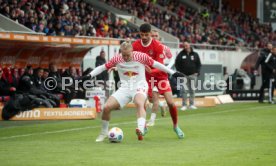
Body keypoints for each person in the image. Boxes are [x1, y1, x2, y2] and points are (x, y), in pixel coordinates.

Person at [82, 42, 184, 142]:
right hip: (125, 88)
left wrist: (173, 73)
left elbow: (157, 64)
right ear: (120, 52)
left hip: (140, 86)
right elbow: (102, 67)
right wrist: (89, 75)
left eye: (128, 55)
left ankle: (140, 128)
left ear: (132, 51)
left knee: (139, 103)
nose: (125, 57)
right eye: (124, 55)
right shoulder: (117, 58)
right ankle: (103, 133)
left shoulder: (141, 56)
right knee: (106, 107)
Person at [132, 23, 184, 138]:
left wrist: (152, 71)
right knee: (144, 102)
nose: (144, 37)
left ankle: (176, 126)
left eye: (146, 35)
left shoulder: (158, 46)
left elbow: (160, 65)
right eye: (142, 35)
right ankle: (143, 126)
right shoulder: (135, 45)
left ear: (150, 34)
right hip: (145, 78)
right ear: (139, 34)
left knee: (170, 102)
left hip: (160, 76)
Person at [146, 29, 173, 126]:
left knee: (168, 101)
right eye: (152, 36)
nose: (153, 37)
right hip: (150, 76)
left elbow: (172, 58)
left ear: (159, 38)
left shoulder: (164, 48)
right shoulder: (147, 47)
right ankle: (162, 105)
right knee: (151, 99)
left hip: (161, 76)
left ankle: (152, 121)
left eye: (155, 36)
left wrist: (167, 68)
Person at [175, 42, 201, 111]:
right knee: (184, 90)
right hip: (184, 75)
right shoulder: (180, 54)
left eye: (186, 45)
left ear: (189, 45)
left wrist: (197, 72)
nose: (185, 47)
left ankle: (192, 104)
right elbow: (177, 64)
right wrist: (180, 72)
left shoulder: (195, 54)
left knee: (192, 90)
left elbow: (199, 64)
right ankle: (184, 105)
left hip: (193, 75)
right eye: (184, 46)